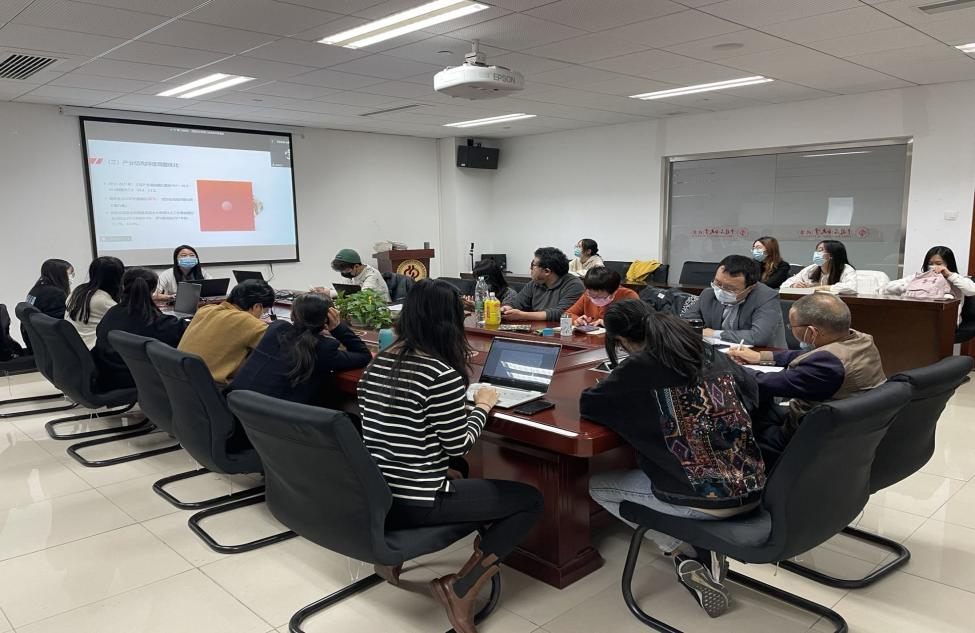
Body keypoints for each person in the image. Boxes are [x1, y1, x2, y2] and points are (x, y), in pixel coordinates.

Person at [357, 279, 543, 633]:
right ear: (451, 322)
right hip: (415, 499)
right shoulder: (438, 373)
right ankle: (461, 588)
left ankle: (391, 561)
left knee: (458, 469)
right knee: (529, 501)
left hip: (377, 491)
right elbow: (460, 444)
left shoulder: (379, 362)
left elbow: (401, 431)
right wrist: (483, 406)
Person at [581, 300, 765, 618]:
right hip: (753, 486)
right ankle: (705, 548)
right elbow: (752, 391)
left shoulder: (639, 367)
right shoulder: (704, 351)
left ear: (621, 341)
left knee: (597, 486)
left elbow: (591, 406)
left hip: (708, 500)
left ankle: (682, 553)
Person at [728, 292, 885, 458]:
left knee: (732, 428)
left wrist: (727, 365)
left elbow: (767, 382)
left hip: (809, 436)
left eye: (791, 326)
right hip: (848, 426)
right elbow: (811, 355)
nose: (790, 329)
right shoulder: (860, 340)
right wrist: (761, 357)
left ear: (812, 332)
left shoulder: (827, 365)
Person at [229, 293, 371, 404]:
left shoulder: (276, 328)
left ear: (293, 315)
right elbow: (364, 355)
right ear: (329, 318)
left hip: (236, 406)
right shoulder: (324, 348)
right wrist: (338, 328)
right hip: (276, 419)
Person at [91, 268, 187, 391]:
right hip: (133, 379)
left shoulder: (112, 312)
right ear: (153, 290)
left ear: (123, 286)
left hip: (106, 375)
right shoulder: (157, 322)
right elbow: (184, 333)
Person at [177, 279, 275, 388]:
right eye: (264, 313)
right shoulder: (248, 322)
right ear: (257, 307)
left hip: (178, 384)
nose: (262, 317)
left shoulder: (205, 310)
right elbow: (279, 347)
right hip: (211, 391)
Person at [682, 255, 787, 347]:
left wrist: (715, 334)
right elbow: (685, 323)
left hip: (761, 356)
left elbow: (759, 337)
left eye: (730, 288)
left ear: (750, 288)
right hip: (719, 354)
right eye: (718, 283)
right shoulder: (708, 294)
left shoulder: (766, 298)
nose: (721, 290)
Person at [501, 247, 584, 321]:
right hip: (536, 328)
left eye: (533, 265)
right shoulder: (535, 283)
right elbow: (517, 303)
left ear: (547, 271)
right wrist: (505, 309)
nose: (530, 268)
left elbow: (562, 313)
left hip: (560, 330)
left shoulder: (574, 285)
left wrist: (523, 315)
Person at [66, 256, 124, 349]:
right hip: (92, 349)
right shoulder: (102, 300)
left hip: (75, 347)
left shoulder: (78, 291)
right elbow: (125, 319)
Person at [885, 245, 975, 300]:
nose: (933, 266)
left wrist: (949, 275)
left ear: (948, 263)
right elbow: (888, 287)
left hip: (947, 319)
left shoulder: (957, 279)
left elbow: (971, 291)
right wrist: (914, 286)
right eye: (930, 264)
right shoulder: (919, 277)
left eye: (938, 263)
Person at [23, 259, 73, 352]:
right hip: (50, 345)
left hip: (34, 342)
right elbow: (61, 323)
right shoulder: (55, 293)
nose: (71, 278)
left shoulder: (36, 289)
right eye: (69, 274)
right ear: (60, 275)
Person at [566, 266, 638, 326]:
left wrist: (609, 324)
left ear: (614, 291)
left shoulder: (629, 296)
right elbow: (567, 314)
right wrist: (577, 320)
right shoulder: (587, 295)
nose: (594, 299)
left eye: (600, 297)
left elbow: (637, 323)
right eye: (592, 296)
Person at [312, 248, 390, 302]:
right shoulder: (351, 274)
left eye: (347, 271)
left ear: (356, 266)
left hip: (382, 307)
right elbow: (346, 290)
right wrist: (326, 291)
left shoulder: (371, 274)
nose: (345, 273)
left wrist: (330, 293)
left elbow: (363, 295)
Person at [781, 239, 857, 293]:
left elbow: (851, 288)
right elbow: (784, 285)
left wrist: (822, 288)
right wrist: (793, 285)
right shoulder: (811, 269)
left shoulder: (846, 269)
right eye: (816, 250)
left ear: (832, 255)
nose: (816, 253)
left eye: (820, 250)